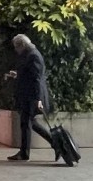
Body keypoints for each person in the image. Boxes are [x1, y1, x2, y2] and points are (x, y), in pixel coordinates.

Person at [5, 34, 60, 162]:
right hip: (29, 95)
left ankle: (26, 153)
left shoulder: (33, 55)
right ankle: (52, 144)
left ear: (22, 45)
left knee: (26, 123)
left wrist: (38, 99)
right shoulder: (30, 55)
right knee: (29, 123)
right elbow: (29, 74)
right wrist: (17, 74)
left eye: (16, 47)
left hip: (32, 96)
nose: (16, 50)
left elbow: (37, 79)